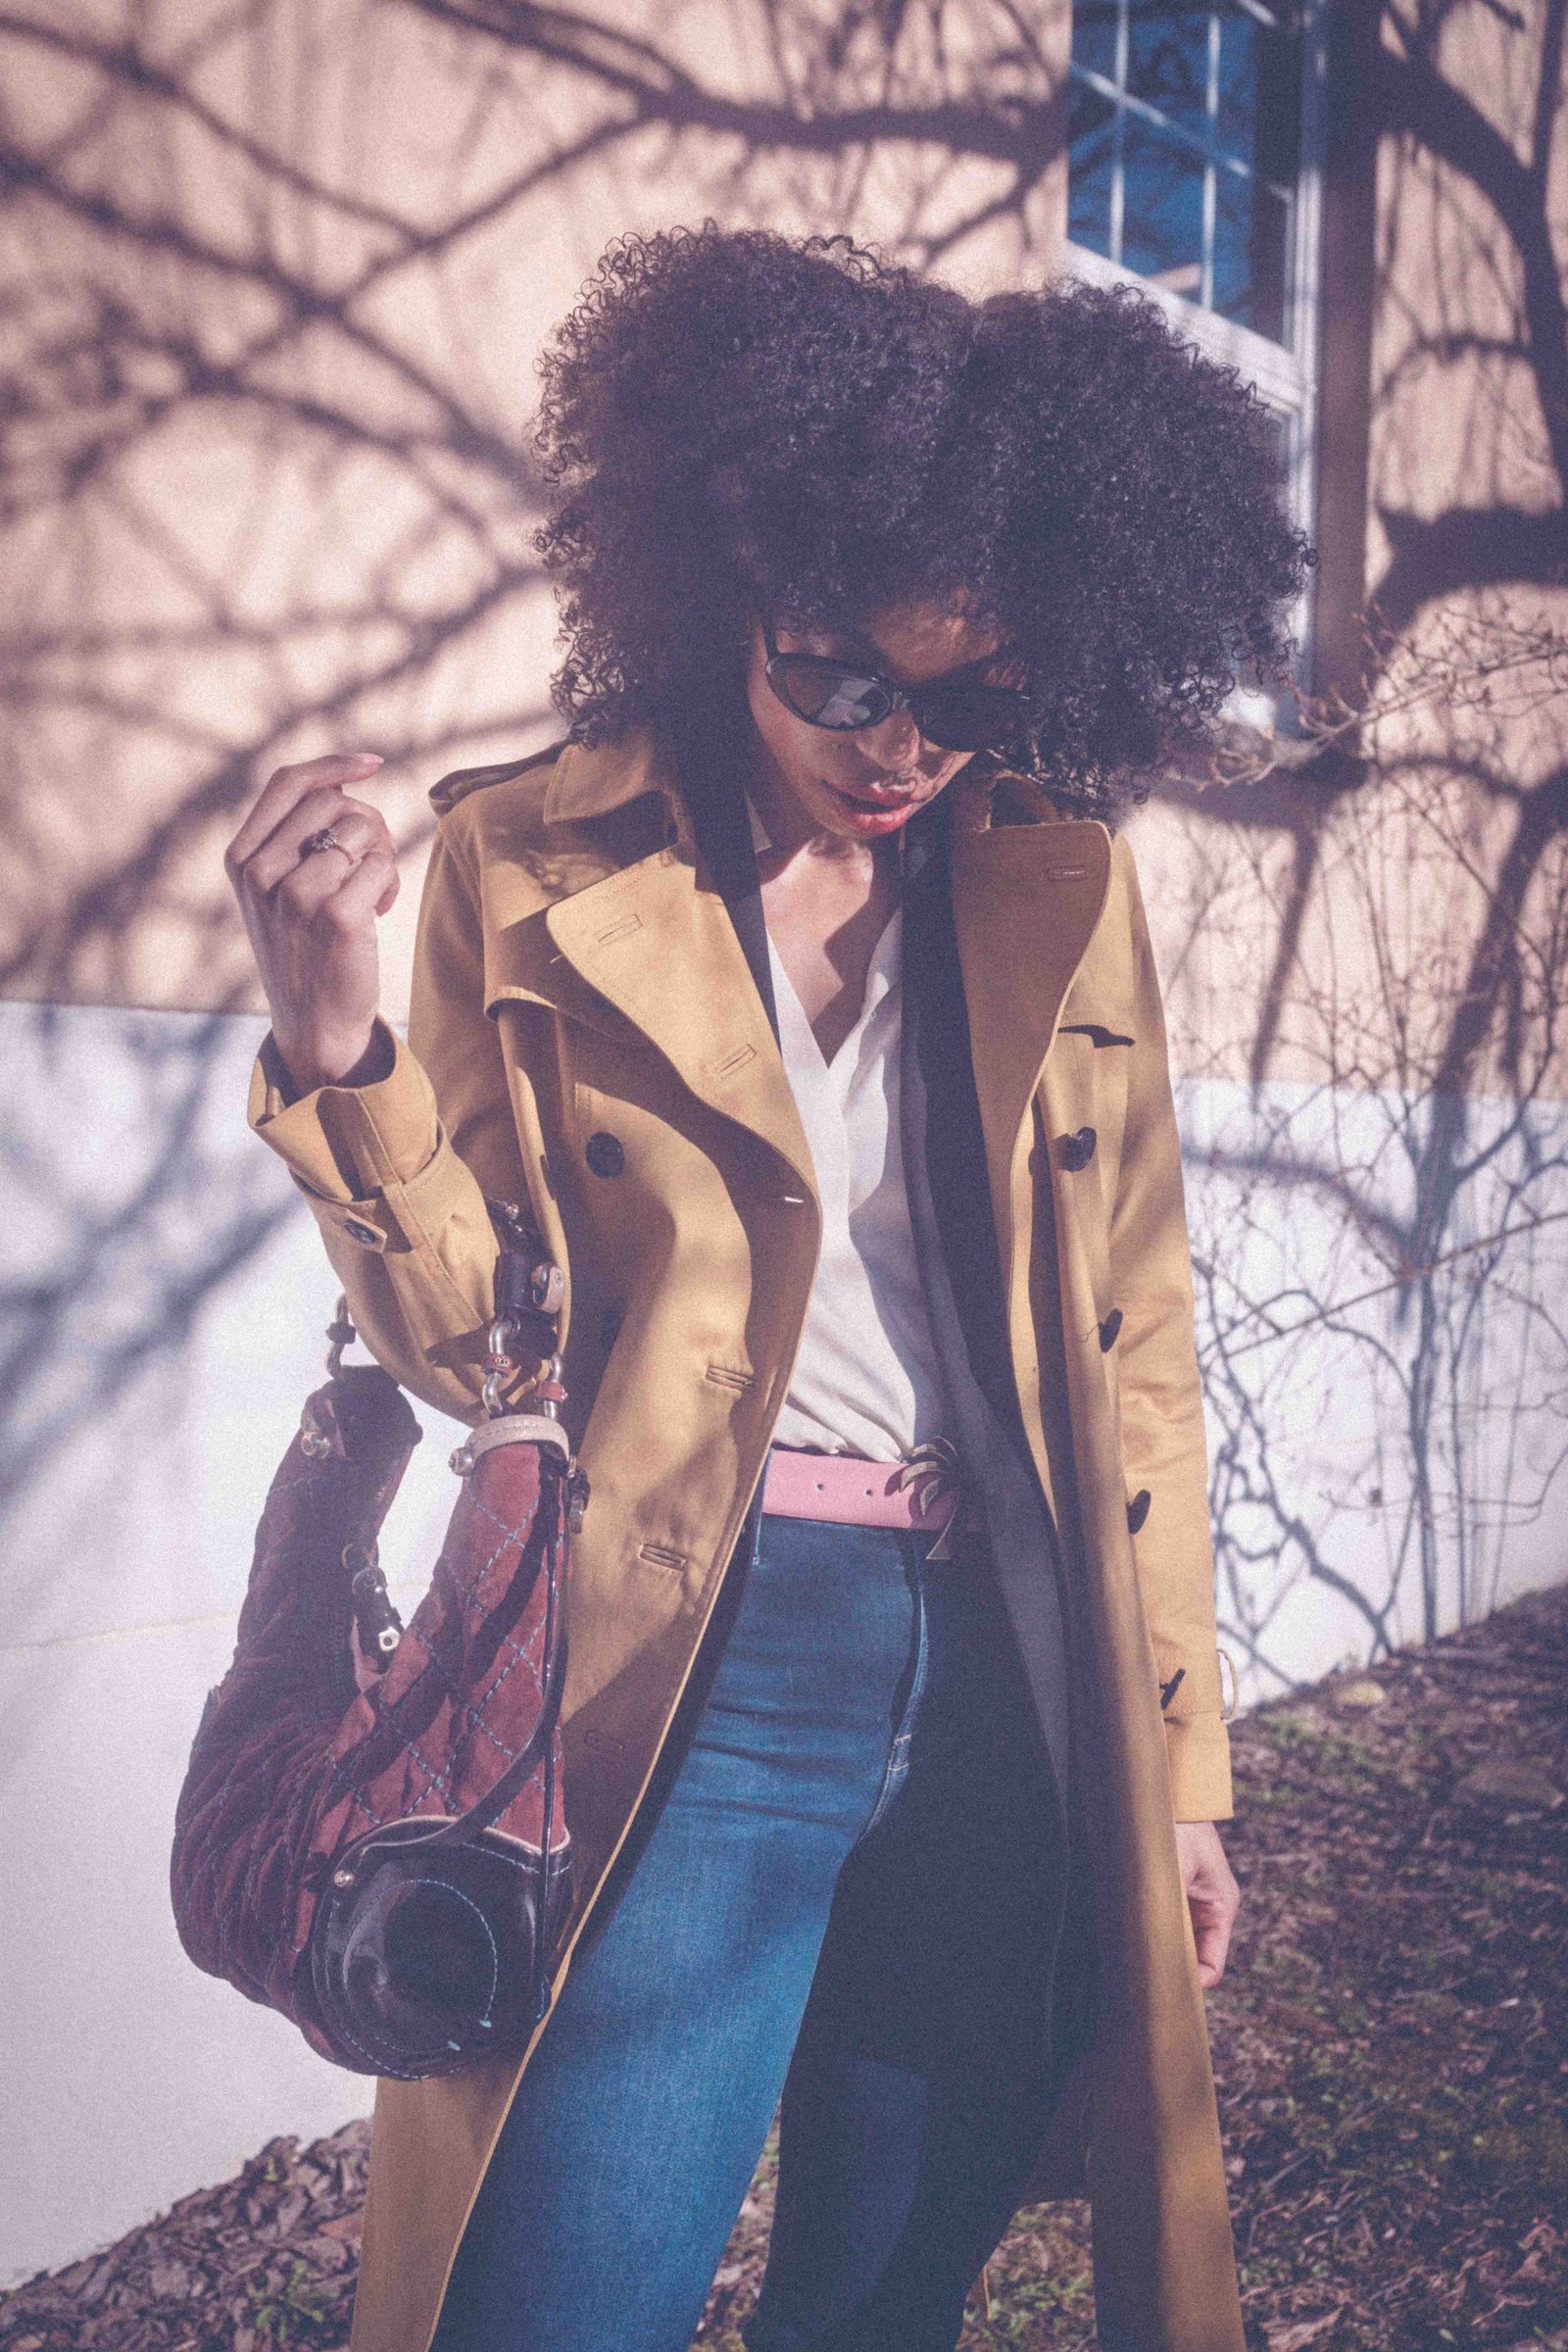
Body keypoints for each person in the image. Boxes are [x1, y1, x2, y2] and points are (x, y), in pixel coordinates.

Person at [224, 226, 1308, 2352]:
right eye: (842, 677)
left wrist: (1177, 1768)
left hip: (1009, 1677)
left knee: (879, 2310)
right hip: (694, 1664)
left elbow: (1140, 1356)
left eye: (969, 694)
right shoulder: (532, 863)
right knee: (558, 2301)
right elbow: (473, 1350)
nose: (899, 746)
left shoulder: (1057, 882)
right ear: (730, 588)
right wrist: (335, 1045)